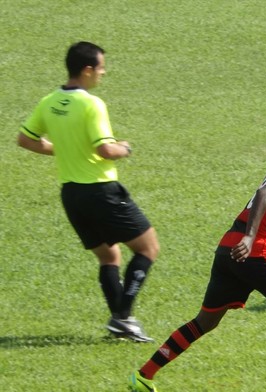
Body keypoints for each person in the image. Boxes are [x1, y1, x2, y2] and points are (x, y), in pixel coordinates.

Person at [129, 126, 266, 392]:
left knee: (206, 322)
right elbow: (264, 194)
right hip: (254, 252)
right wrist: (249, 238)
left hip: (227, 250)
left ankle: (143, 376)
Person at [17, 41, 159, 342]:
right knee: (148, 248)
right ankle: (122, 316)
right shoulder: (91, 104)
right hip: (102, 192)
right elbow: (105, 149)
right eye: (101, 68)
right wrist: (125, 147)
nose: (103, 73)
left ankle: (122, 322)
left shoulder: (50, 101)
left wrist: (67, 149)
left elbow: (26, 140)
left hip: (72, 195)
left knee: (109, 256)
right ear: (87, 69)